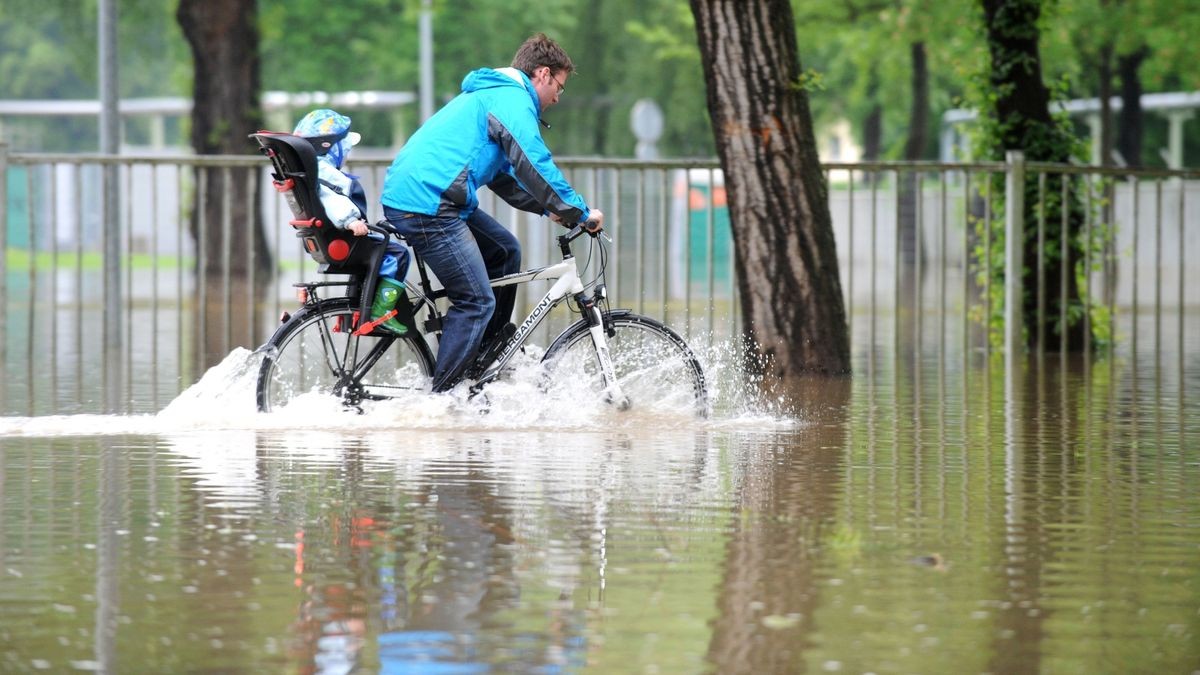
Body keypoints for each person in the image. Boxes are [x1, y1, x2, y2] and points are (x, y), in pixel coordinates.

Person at [381, 33, 603, 392]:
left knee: (505, 251)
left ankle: (484, 356)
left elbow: (505, 175)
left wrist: (550, 211)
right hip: (427, 204)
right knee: (476, 300)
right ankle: (448, 399)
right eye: (559, 87)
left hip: (434, 199)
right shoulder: (511, 98)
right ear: (543, 74)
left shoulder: (498, 94)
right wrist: (577, 210)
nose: (558, 98)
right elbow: (533, 162)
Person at [293, 109, 410, 335]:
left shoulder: (310, 168)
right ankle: (381, 312)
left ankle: (351, 314)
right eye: (344, 148)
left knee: (369, 260)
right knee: (398, 255)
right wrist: (349, 220)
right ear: (328, 147)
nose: (346, 153)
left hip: (328, 237)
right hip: (341, 235)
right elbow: (330, 197)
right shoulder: (324, 171)